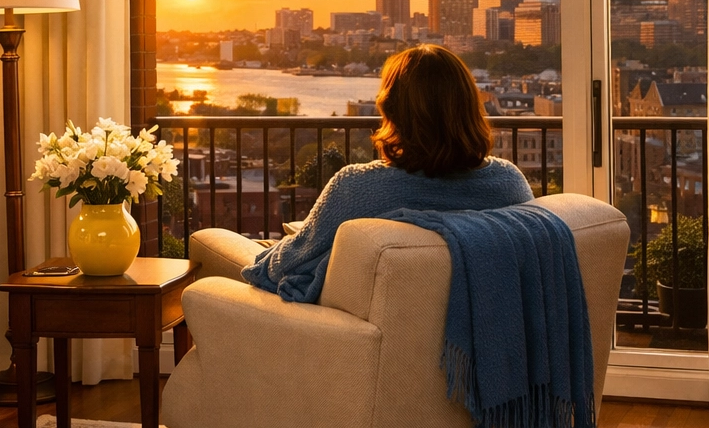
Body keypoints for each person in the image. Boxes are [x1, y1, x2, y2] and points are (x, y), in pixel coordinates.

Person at [228, 43, 534, 303]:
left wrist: (276, 253)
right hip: (466, 341)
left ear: (391, 108)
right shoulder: (509, 185)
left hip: (343, 339)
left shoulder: (358, 188)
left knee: (214, 244)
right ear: (469, 106)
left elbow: (281, 267)